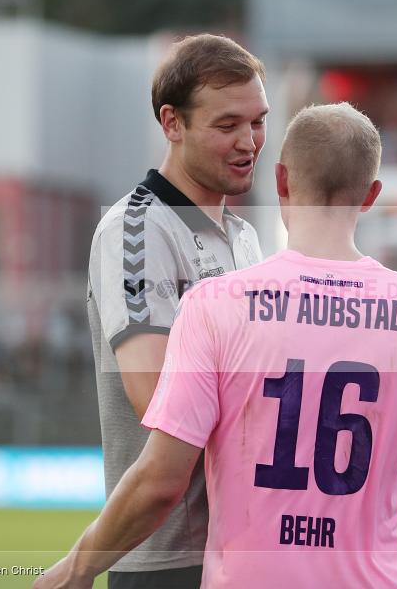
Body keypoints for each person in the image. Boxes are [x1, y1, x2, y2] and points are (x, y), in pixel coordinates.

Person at [35, 103, 397, 588]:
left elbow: (162, 480)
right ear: (371, 196)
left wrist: (77, 568)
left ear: (280, 181)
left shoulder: (216, 304)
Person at [84, 34, 267, 589]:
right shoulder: (134, 230)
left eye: (258, 121)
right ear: (172, 123)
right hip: (167, 558)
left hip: (244, 548)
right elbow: (155, 395)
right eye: (227, 125)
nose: (250, 141)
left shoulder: (245, 237)